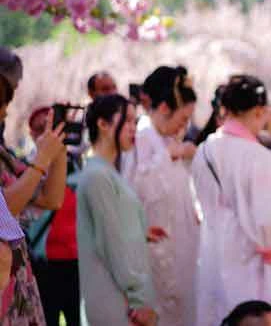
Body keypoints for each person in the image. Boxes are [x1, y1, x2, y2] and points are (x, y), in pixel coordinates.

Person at [193, 75, 271, 326]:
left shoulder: (203, 150)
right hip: (253, 263)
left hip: (212, 252)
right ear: (259, 111)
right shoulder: (256, 155)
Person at [124, 65, 199, 326]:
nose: (184, 126)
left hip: (180, 246)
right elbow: (137, 188)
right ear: (165, 108)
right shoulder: (142, 137)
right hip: (157, 249)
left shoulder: (166, 141)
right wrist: (170, 156)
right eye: (183, 118)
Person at [77, 94, 159, 326]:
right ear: (102, 125)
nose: (134, 128)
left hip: (122, 299)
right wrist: (138, 300)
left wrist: (141, 231)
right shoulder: (97, 176)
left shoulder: (106, 173)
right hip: (116, 303)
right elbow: (112, 243)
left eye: (136, 121)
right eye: (128, 121)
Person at [0, 69, 68, 324]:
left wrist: (57, 151)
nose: (6, 113)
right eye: (2, 103)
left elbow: (51, 199)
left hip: (18, 284)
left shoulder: (3, 156)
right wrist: (41, 159)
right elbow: (4, 209)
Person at [26, 107, 82, 326]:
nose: (46, 134)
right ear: (31, 133)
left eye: (51, 127)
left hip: (73, 258)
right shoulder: (28, 167)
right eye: (40, 129)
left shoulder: (75, 162)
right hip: (44, 260)